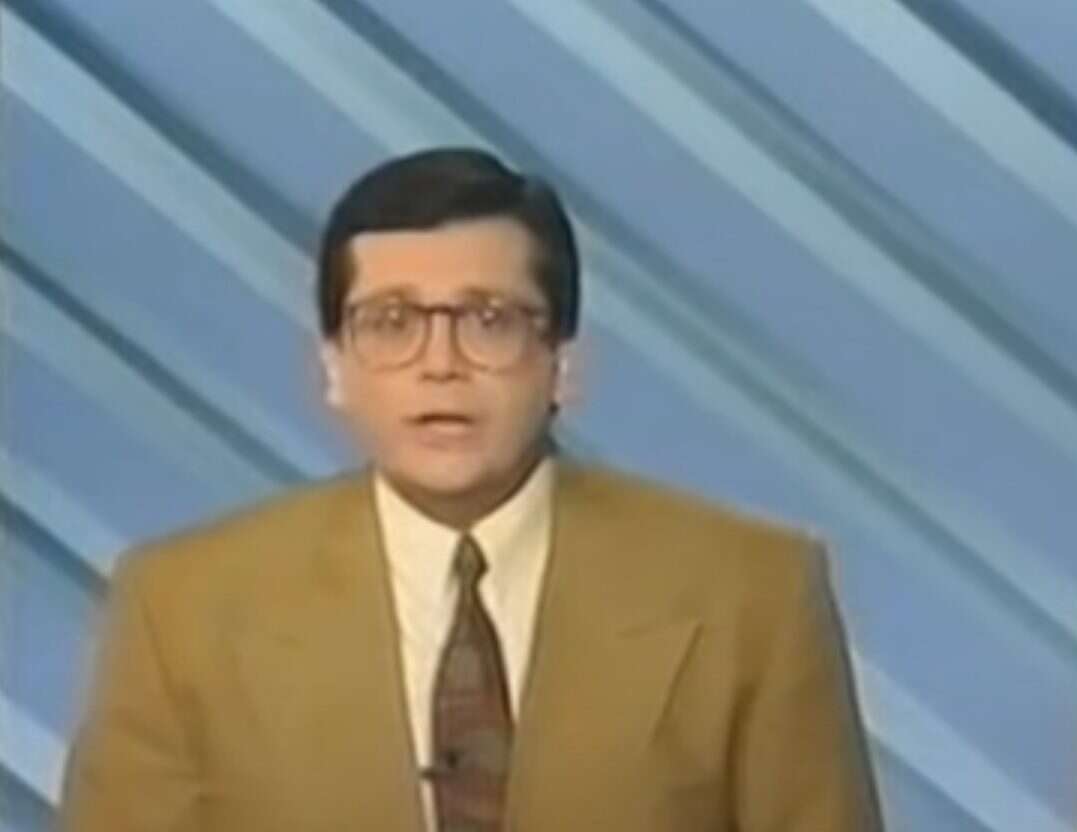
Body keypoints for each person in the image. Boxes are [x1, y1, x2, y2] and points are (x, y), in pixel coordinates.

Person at [60, 148, 882, 831]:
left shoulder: (754, 592)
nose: (440, 364)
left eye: (489, 319)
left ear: (564, 366)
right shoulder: (182, 605)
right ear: (333, 368)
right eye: (392, 322)